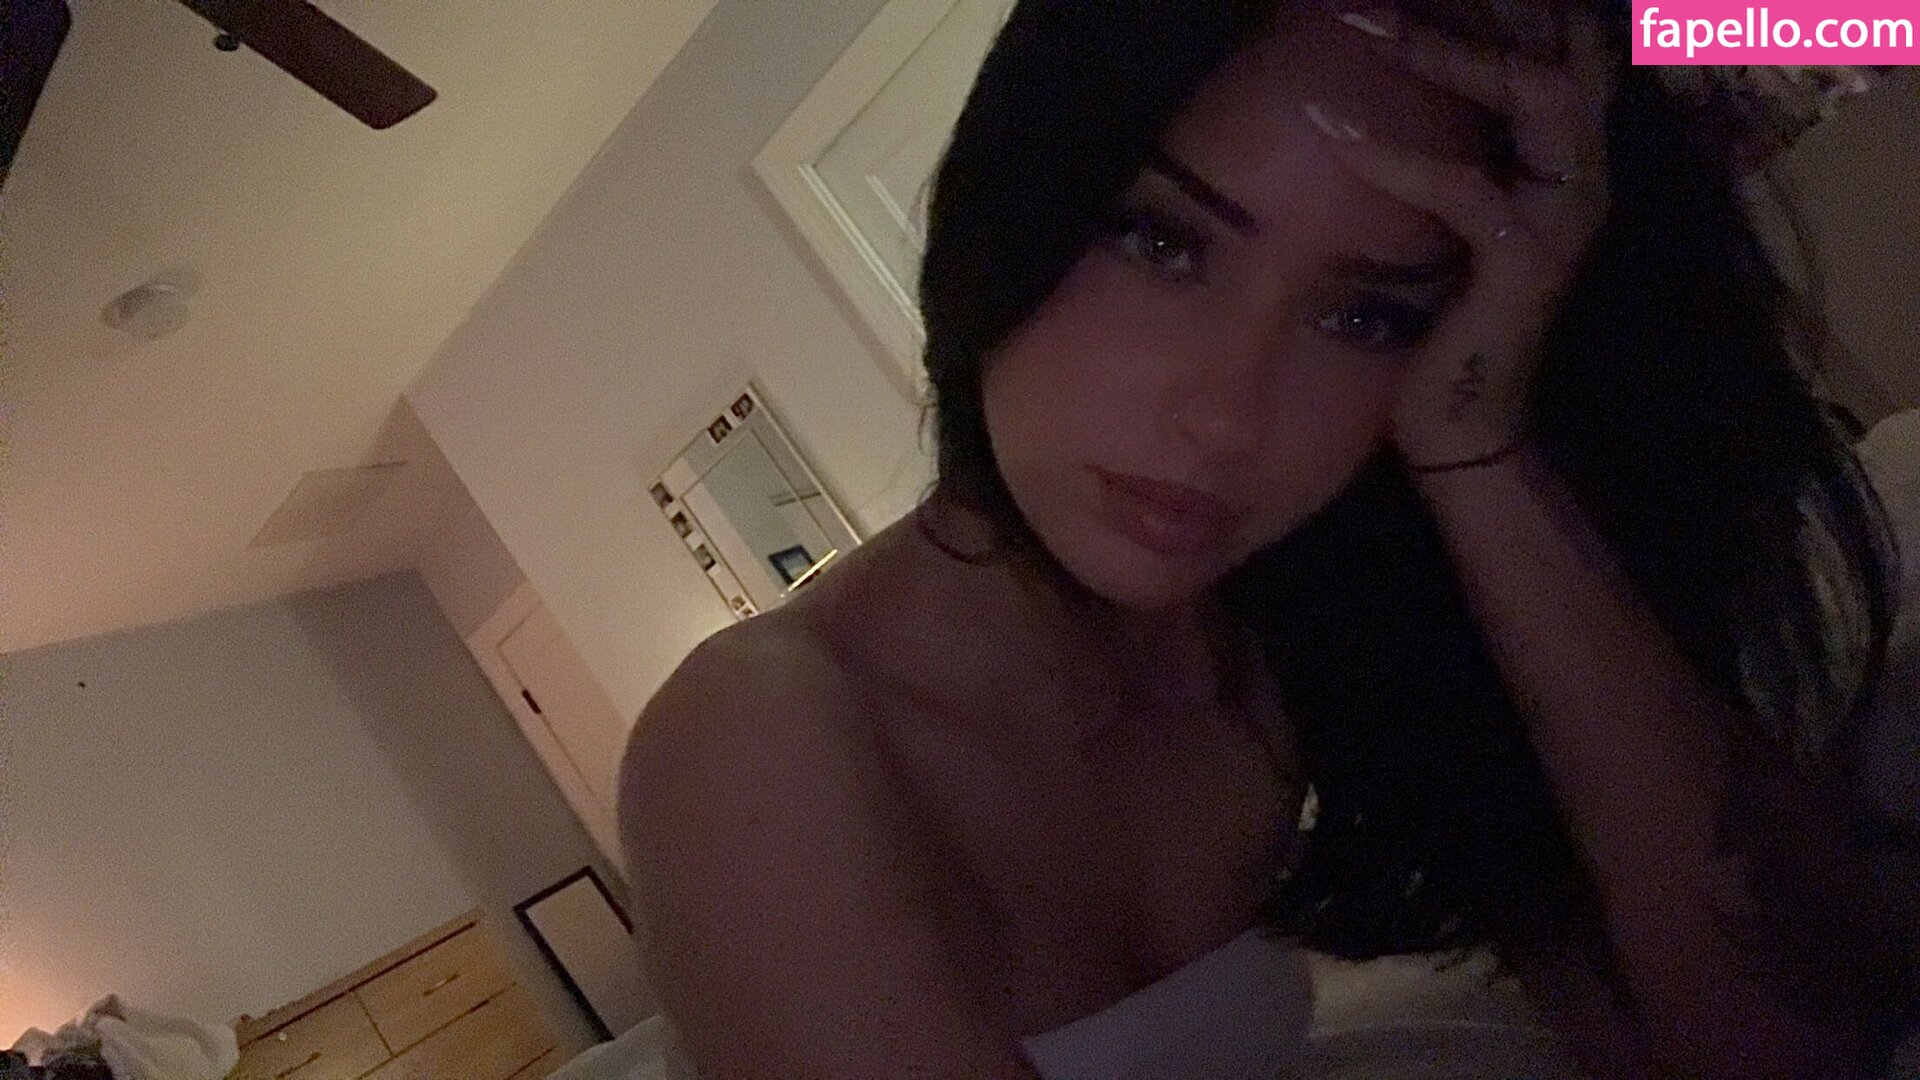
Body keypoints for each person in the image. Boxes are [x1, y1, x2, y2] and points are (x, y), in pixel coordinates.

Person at [619, 1, 1914, 1076]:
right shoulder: (761, 736)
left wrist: (1477, 444)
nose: (1230, 416)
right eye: (1161, 241)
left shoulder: (1280, 620)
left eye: (1365, 316)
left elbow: (1792, 1041)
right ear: (1018, 198)